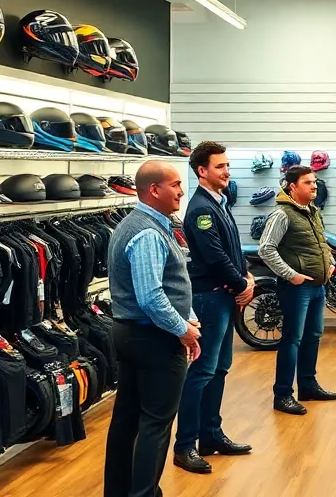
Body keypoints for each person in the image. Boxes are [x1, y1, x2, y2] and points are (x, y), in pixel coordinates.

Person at [103, 161, 201, 497]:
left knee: (127, 420)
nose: (181, 191)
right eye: (175, 185)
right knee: (155, 424)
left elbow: (168, 286)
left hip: (135, 334)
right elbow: (151, 297)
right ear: (154, 190)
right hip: (153, 338)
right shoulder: (147, 232)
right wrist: (182, 329)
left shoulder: (139, 224)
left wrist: (186, 319)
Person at [174, 141, 254, 474]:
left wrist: (247, 274)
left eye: (227, 165)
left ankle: (210, 435)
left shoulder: (219, 202)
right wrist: (241, 284)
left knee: (219, 369)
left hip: (223, 296)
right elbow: (214, 257)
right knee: (202, 371)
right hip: (209, 298)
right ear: (201, 171)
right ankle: (184, 446)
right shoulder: (201, 209)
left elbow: (233, 248)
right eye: (220, 166)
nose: (226, 171)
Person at [258, 164, 336, 415]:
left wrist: (330, 263)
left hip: (317, 286)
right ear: (292, 186)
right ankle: (283, 395)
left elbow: (321, 242)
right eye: (308, 182)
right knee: (292, 339)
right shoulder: (282, 214)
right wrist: (291, 275)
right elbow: (266, 248)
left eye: (314, 182)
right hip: (297, 288)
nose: (314, 186)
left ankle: (308, 386)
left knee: (313, 336)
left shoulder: (312, 211)